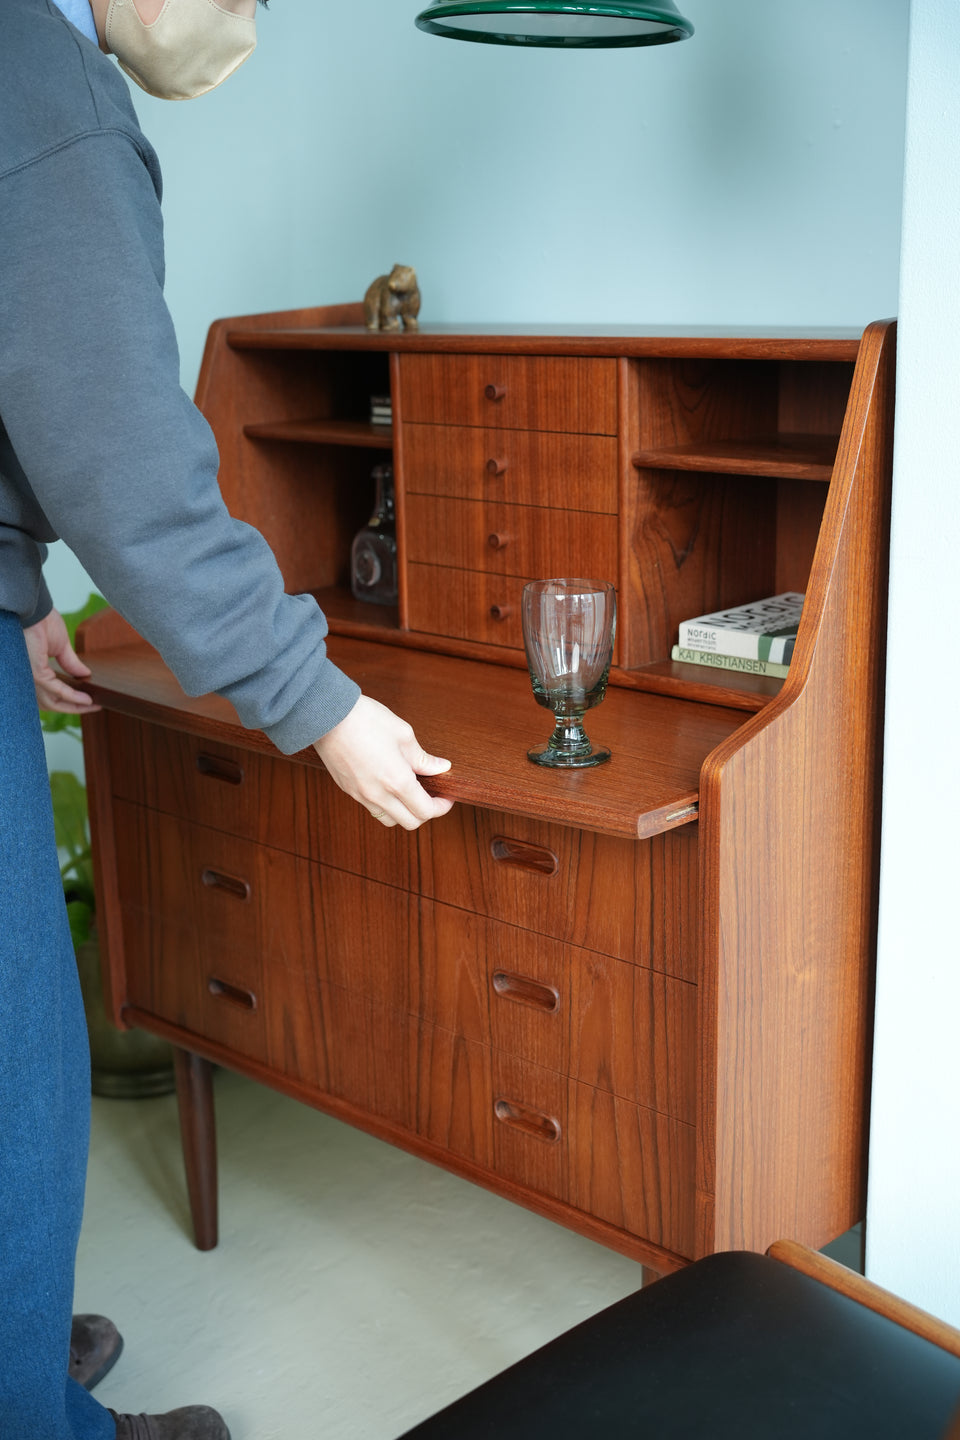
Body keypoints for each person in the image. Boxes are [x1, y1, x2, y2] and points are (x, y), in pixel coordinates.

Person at [0, 2, 454, 1437]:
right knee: (18, 1073)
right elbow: (131, 462)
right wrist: (318, 703)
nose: (244, 15)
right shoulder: (45, 88)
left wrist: (13, 593)